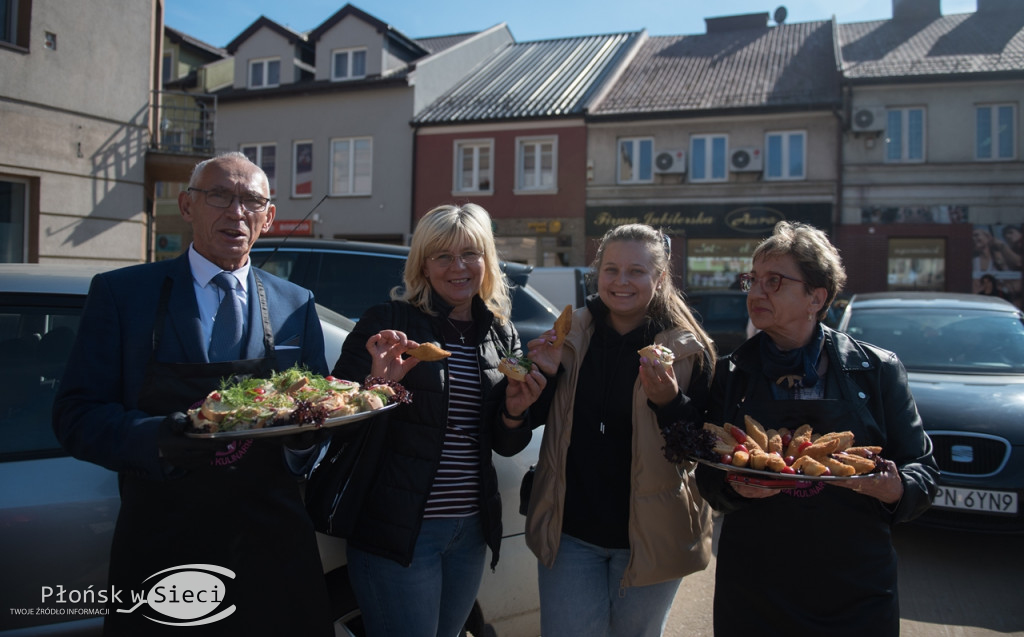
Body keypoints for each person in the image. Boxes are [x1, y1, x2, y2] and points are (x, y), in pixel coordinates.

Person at [52, 152, 333, 636]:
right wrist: (157, 438)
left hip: (273, 543)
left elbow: (318, 414)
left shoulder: (295, 304)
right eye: (220, 195)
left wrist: (305, 441)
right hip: (164, 540)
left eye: (251, 201)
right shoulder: (124, 295)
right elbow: (76, 416)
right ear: (186, 206)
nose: (236, 212)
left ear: (269, 218)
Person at [695, 221, 939, 636]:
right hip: (756, 586)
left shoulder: (875, 370)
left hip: (853, 587)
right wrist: (734, 487)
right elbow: (708, 473)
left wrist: (895, 489)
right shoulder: (730, 373)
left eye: (774, 281)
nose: (756, 292)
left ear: (817, 296)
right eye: (752, 280)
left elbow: (924, 472)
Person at [329, 203, 543, 637]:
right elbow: (339, 423)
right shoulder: (387, 322)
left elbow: (503, 443)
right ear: (423, 265)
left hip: (470, 531)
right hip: (400, 529)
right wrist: (377, 387)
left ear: (487, 260)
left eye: (470, 253)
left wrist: (517, 413)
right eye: (442, 255)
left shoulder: (503, 333)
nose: (458, 267)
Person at [523, 223, 716, 637]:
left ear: (659, 278)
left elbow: (703, 448)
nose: (621, 282)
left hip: (652, 538)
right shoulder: (567, 335)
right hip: (570, 533)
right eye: (611, 270)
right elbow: (517, 428)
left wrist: (669, 402)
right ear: (598, 273)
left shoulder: (689, 350)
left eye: (636, 272)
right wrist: (540, 380)